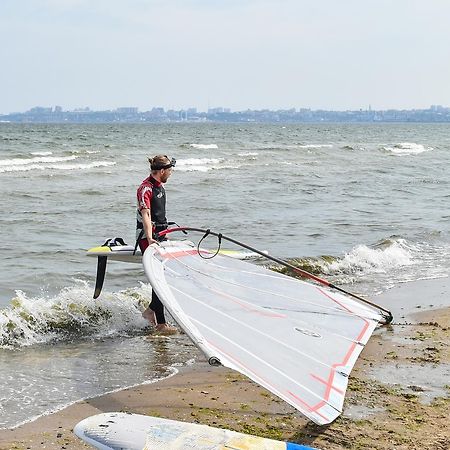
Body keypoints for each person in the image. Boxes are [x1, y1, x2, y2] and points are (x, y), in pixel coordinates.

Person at [136, 154, 177, 334]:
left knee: (165, 277)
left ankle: (150, 311)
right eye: (170, 170)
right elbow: (146, 215)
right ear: (162, 171)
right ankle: (160, 323)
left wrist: (165, 235)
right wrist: (150, 237)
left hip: (160, 235)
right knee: (159, 278)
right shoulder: (145, 189)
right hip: (147, 238)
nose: (171, 173)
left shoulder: (160, 187)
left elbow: (160, 215)